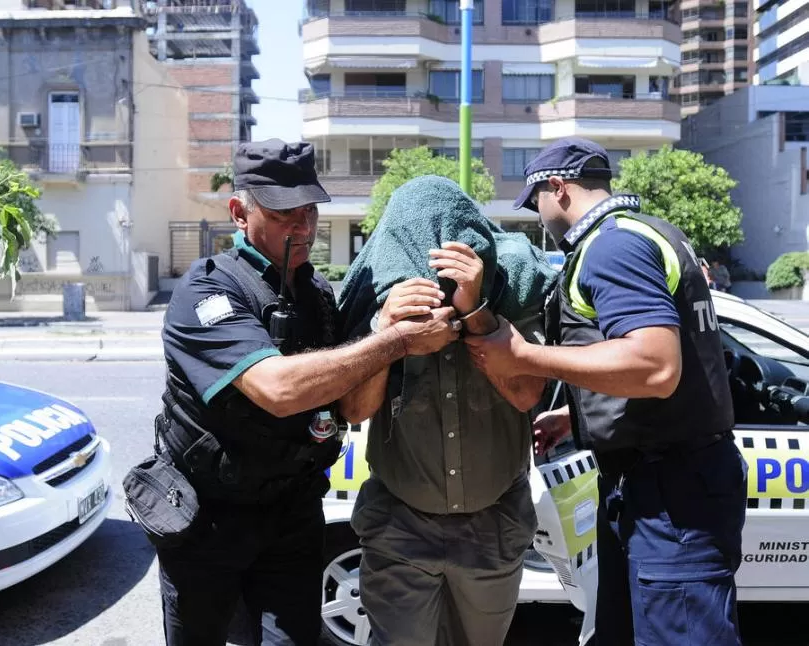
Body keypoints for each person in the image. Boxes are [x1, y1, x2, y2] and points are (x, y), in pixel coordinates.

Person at [147, 139, 460, 646]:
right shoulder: (208, 292)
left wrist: (386, 327)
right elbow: (277, 388)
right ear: (239, 213)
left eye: (309, 210)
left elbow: (356, 407)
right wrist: (394, 340)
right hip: (209, 521)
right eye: (283, 212)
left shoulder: (319, 298)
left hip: (290, 515)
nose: (303, 227)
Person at [467, 137, 748, 645]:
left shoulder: (612, 246)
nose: (540, 217)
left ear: (557, 188)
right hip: (662, 478)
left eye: (537, 204)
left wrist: (523, 356)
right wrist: (576, 418)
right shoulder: (651, 231)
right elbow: (670, 368)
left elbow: (655, 365)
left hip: (671, 491)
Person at [336, 175, 558, 646]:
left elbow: (526, 394)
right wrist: (389, 333)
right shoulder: (382, 303)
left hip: (492, 529)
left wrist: (476, 311)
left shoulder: (510, 291)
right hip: (400, 528)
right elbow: (355, 411)